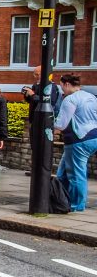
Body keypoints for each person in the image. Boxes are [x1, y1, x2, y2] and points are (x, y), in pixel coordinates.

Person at [53, 73, 97, 212]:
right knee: (63, 172)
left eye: (61, 87)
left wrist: (48, 123)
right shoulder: (91, 97)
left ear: (66, 84)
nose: (61, 90)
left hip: (78, 139)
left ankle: (77, 204)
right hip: (93, 137)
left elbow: (61, 124)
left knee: (76, 173)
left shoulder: (70, 99)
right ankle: (60, 198)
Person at [22, 65, 62, 177]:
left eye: (37, 74)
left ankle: (43, 168)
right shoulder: (35, 85)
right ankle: (35, 167)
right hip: (34, 119)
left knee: (43, 145)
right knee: (34, 145)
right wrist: (27, 95)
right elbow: (33, 101)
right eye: (34, 74)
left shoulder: (51, 87)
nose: (35, 76)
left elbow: (48, 102)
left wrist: (33, 95)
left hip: (44, 121)